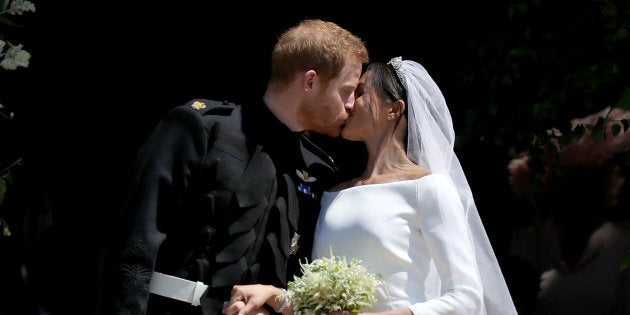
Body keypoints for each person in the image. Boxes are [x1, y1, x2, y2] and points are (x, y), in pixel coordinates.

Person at [99, 19, 369, 315]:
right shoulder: (201, 128)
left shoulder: (319, 170)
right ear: (310, 82)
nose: (353, 104)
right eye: (347, 91)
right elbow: (134, 242)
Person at [223, 57, 517, 315]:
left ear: (394, 110)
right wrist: (273, 296)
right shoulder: (333, 192)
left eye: (361, 92)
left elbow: (466, 298)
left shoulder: (428, 188)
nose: (348, 103)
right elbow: (321, 308)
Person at [508, 107, 630, 314]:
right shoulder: (527, 243)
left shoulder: (622, 244)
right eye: (567, 184)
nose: (576, 194)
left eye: (585, 185)